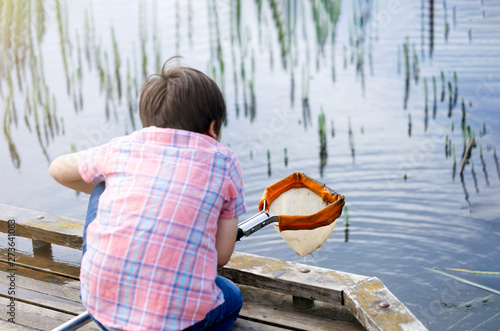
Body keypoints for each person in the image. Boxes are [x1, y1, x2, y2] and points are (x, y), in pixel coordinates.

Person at [49, 56, 247, 330]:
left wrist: (117, 186)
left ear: (148, 123)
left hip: (100, 307)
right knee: (231, 296)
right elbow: (221, 255)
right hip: (180, 322)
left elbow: (57, 168)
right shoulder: (225, 160)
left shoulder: (123, 147)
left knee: (102, 182)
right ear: (213, 128)